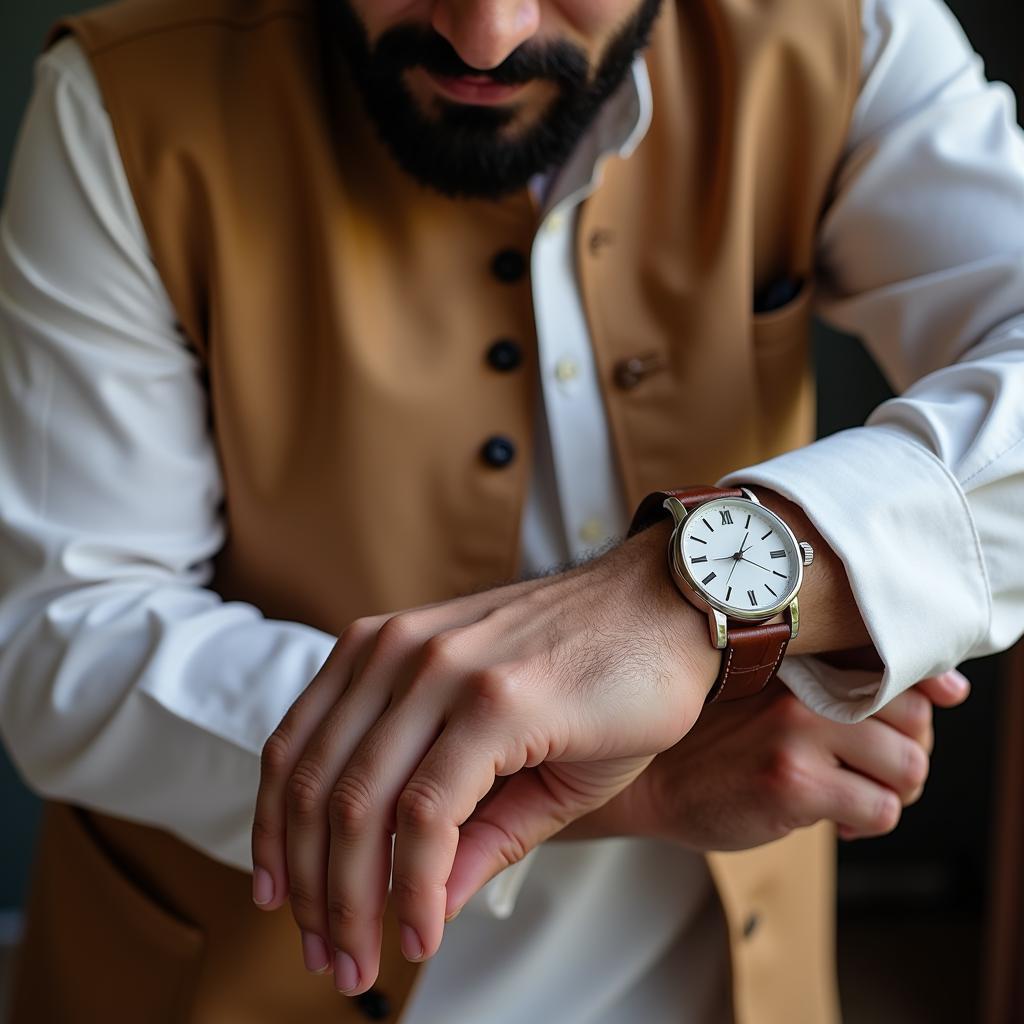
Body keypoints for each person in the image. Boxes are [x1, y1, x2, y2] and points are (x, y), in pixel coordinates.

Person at [0, 0, 1020, 1021]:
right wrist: (621, 777)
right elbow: (61, 640)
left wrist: (670, 603)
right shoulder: (127, 102)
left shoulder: (849, 29)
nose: (483, 37)